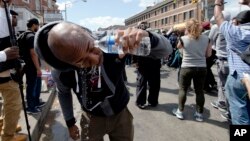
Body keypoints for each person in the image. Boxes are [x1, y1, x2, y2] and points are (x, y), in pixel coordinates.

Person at [34, 21, 172, 141]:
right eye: (82, 61)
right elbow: (63, 93)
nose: (95, 59)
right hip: (91, 118)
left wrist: (148, 37)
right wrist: (70, 122)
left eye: (91, 47)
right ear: (67, 63)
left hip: (121, 114)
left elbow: (166, 51)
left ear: (88, 34)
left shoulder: (112, 41)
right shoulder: (61, 72)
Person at [214, 0, 250, 124]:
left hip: (239, 76)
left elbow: (218, 17)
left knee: (240, 114)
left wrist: (218, 3)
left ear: (238, 22)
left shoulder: (234, 32)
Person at [172, 18, 212, 122]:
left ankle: (180, 111)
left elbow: (178, 48)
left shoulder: (184, 39)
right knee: (199, 91)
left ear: (187, 28)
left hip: (187, 67)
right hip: (201, 67)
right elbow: (208, 54)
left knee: (183, 89)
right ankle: (199, 114)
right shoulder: (207, 39)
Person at [0, 0, 27, 140]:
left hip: (7, 67)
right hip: (3, 68)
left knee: (7, 101)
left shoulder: (6, 9)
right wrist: (3, 55)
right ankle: (7, 136)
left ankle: (6, 125)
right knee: (14, 103)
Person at [135, 22, 171, 109]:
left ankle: (144, 102)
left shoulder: (146, 34)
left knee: (144, 82)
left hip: (147, 61)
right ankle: (151, 101)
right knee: (151, 82)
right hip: (151, 60)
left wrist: (135, 61)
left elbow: (135, 49)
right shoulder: (152, 34)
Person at [209, 11, 231, 120]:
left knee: (223, 83)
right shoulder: (233, 26)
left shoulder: (216, 27)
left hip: (222, 58)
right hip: (233, 59)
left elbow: (210, 40)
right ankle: (224, 103)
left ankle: (224, 104)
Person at [22, 18, 45, 114]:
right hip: (32, 67)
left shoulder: (24, 35)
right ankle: (30, 107)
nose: (38, 27)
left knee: (36, 85)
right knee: (31, 86)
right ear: (34, 25)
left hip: (30, 66)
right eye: (38, 25)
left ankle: (35, 103)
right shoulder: (31, 36)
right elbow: (33, 54)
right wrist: (38, 68)